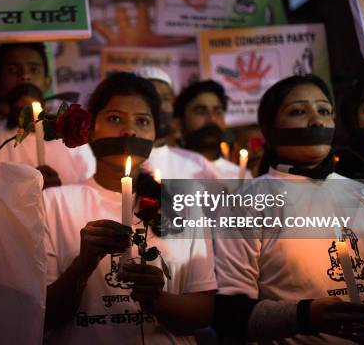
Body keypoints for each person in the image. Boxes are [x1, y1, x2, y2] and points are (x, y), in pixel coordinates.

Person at [213, 75, 364, 344]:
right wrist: (304, 315)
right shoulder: (245, 204)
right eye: (299, 111)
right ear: (269, 129)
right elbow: (230, 313)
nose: (316, 121)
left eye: (324, 111)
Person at [43, 73, 217, 343]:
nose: (129, 131)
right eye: (114, 118)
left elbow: (203, 311)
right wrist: (83, 265)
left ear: (155, 135)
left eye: (142, 121)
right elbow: (42, 314)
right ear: (90, 130)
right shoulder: (53, 203)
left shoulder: (182, 204)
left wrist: (157, 299)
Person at [0, 42, 89, 187]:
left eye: (34, 69)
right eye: (12, 70)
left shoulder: (72, 137)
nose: (25, 76)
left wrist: (57, 195)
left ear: (47, 82)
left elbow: (88, 196)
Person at [134, 66, 219, 180]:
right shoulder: (113, 163)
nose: (160, 106)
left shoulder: (197, 163)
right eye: (151, 97)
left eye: (165, 98)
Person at [173, 80, 252, 179]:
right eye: (201, 111)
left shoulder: (240, 177)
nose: (212, 119)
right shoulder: (165, 169)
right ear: (180, 123)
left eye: (218, 112)